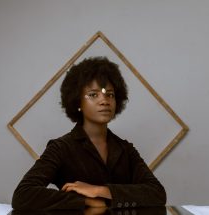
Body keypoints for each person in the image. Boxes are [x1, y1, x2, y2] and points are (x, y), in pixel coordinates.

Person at [11, 57, 166, 211]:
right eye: (93, 94)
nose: (104, 101)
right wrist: (84, 200)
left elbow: (157, 193)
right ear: (78, 102)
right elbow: (23, 195)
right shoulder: (61, 148)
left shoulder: (125, 149)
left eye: (110, 94)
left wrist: (100, 191)